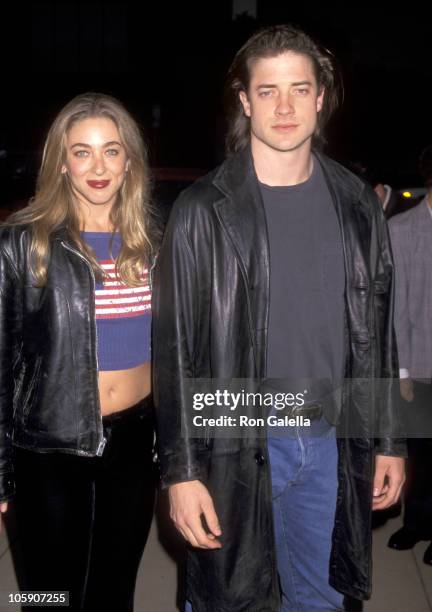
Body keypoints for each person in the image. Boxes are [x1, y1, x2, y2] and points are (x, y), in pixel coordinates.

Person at [153, 25, 405, 611]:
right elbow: (174, 353)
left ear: (322, 97)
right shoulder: (201, 211)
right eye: (268, 91)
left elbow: (378, 332)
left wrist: (390, 440)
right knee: (229, 599)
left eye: (300, 88)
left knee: (322, 599)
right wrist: (180, 473)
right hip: (232, 435)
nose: (285, 107)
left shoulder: (358, 204)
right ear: (245, 102)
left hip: (331, 437)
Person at [0, 93, 158, 611]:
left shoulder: (155, 241)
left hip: (135, 442)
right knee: (50, 593)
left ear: (128, 160)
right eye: (82, 151)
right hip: (50, 446)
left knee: (115, 588)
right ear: (62, 162)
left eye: (111, 151)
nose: (98, 166)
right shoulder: (23, 243)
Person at [387, 144, 432, 565]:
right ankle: (416, 523)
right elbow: (397, 308)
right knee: (419, 452)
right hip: (420, 364)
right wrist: (400, 371)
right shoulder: (402, 230)